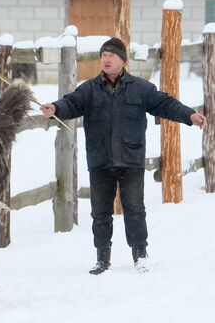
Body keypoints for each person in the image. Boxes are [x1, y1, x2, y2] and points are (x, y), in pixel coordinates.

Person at [40, 37, 207, 275]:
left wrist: (189, 116)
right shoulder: (89, 89)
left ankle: (140, 255)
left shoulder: (140, 88)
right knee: (100, 213)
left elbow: (165, 104)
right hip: (100, 160)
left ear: (122, 60)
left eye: (111, 56)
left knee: (134, 209)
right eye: (103, 56)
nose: (106, 59)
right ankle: (102, 259)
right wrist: (55, 108)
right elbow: (71, 103)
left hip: (131, 159)